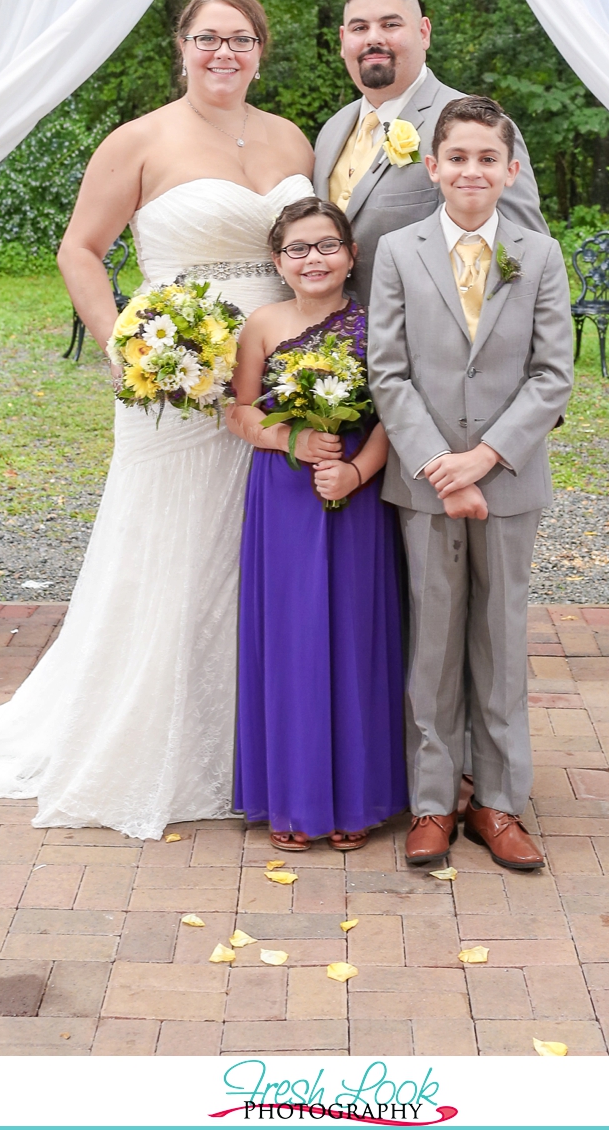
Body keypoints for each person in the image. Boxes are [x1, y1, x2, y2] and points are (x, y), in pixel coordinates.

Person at [0, 0, 315, 839]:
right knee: (169, 549)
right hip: (175, 380)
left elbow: (307, 249)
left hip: (275, 373)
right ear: (181, 45)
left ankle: (261, 740)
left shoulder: (291, 139)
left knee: (256, 555)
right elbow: (81, 249)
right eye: (208, 38)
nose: (224, 53)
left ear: (260, 50)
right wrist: (123, 343)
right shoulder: (138, 140)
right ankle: (156, 740)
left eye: (241, 39)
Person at [367, 95, 574, 873]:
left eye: (488, 158)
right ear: (432, 167)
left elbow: (552, 375)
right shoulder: (397, 251)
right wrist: (436, 465)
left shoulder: (539, 255)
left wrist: (482, 459)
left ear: (510, 169)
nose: (471, 171)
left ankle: (498, 800)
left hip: (508, 482)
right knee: (432, 641)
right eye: (457, 157)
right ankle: (431, 802)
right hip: (424, 485)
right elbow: (388, 371)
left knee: (500, 639)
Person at [228, 197, 407, 851]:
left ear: (352, 254)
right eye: (298, 249)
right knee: (294, 642)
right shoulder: (263, 325)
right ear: (278, 262)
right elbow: (240, 413)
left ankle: (356, 799)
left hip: (356, 494)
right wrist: (290, 441)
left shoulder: (376, 323)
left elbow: (394, 414)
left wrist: (357, 472)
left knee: (355, 641)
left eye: (327, 245)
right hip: (285, 499)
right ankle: (294, 801)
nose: (314, 259)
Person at [312, 0, 548, 307]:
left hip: (430, 346)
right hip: (336, 345)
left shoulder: (480, 126)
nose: (373, 38)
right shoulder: (332, 130)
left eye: (390, 24)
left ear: (424, 33)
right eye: (359, 28)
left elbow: (523, 251)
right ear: (342, 40)